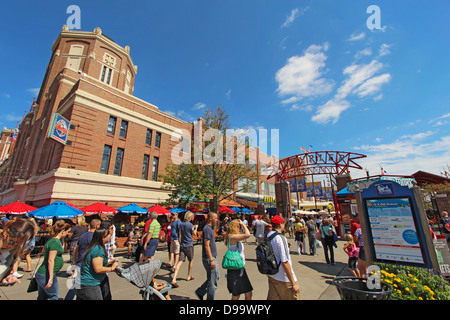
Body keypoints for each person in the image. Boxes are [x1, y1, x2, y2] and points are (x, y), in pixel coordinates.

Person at [75, 228, 119, 300]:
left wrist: (108, 263)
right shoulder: (98, 249)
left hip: (84, 284)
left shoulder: (94, 247)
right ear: (102, 237)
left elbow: (94, 264)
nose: (110, 236)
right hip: (89, 285)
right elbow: (98, 269)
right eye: (108, 235)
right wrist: (111, 268)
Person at [65, 218, 101, 300]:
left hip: (79, 262)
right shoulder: (94, 237)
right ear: (97, 226)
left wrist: (74, 262)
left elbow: (75, 249)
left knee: (77, 285)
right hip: (87, 264)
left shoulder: (83, 235)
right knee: (82, 286)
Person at [35, 220, 71, 300]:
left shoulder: (53, 240)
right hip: (46, 274)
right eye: (67, 231)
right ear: (62, 231)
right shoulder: (55, 242)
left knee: (42, 296)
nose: (68, 234)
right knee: (53, 296)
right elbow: (50, 260)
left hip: (43, 274)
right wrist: (50, 278)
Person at [266, 215, 300, 300]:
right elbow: (284, 261)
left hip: (272, 274)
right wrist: (293, 283)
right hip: (283, 278)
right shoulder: (280, 238)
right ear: (280, 224)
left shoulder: (268, 235)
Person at [223, 218, 253, 300]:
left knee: (245, 293)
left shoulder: (233, 237)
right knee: (237, 294)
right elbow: (248, 235)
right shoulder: (232, 237)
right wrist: (244, 225)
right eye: (239, 227)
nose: (241, 228)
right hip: (236, 269)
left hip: (239, 268)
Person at [0, 218, 36, 286]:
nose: (11, 246)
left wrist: (6, 277)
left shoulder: (14, 250)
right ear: (5, 232)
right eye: (11, 241)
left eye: (18, 243)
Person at [195, 212, 219, 300]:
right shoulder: (207, 229)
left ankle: (200, 291)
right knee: (212, 281)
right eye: (215, 218)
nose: (217, 220)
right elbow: (206, 245)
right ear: (210, 219)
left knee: (215, 277)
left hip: (212, 257)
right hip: (210, 258)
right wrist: (211, 259)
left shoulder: (208, 228)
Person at [171, 211, 197, 288]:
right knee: (191, 260)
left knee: (180, 261)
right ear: (190, 217)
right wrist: (196, 228)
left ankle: (174, 278)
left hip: (182, 244)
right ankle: (188, 275)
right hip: (189, 245)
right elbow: (194, 233)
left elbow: (180, 233)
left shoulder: (181, 224)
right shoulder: (190, 225)